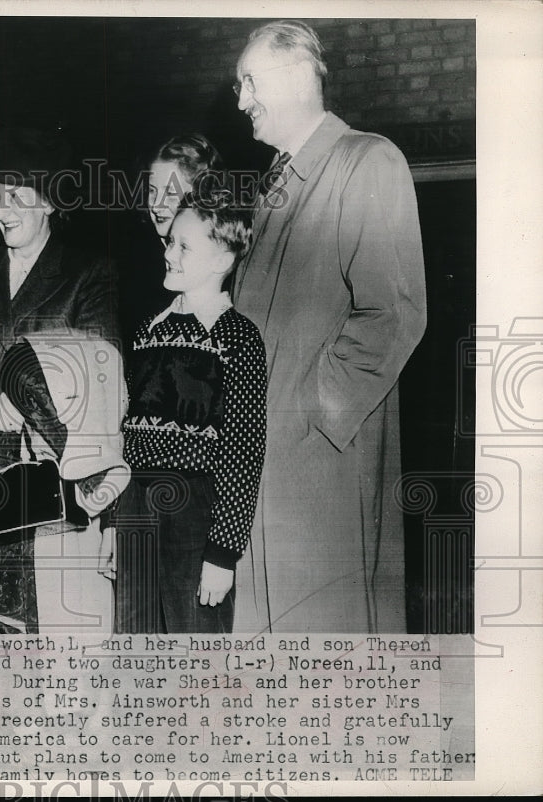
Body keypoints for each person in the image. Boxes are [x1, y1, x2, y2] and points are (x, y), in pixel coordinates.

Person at [230, 20, 427, 632]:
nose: (240, 102)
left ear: (294, 76)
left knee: (325, 635)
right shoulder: (276, 185)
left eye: (248, 83)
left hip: (321, 460)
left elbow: (393, 311)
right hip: (264, 455)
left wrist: (310, 405)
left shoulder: (366, 160)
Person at [0, 127, 121, 633]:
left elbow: (102, 390)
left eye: (16, 196)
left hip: (54, 481)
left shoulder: (88, 274)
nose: (1, 210)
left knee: (55, 636)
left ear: (48, 202)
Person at [114, 189, 267, 633]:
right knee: (135, 642)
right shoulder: (147, 330)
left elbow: (244, 452)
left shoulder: (238, 338)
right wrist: (113, 523)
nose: (169, 253)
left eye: (184, 246)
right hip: (136, 508)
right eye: (169, 242)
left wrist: (223, 553)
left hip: (197, 511)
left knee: (196, 648)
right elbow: (127, 434)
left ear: (222, 259)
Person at [119, 134, 224, 341]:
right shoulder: (133, 260)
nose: (156, 206)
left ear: (202, 195)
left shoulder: (218, 262)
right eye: (151, 191)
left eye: (171, 194)